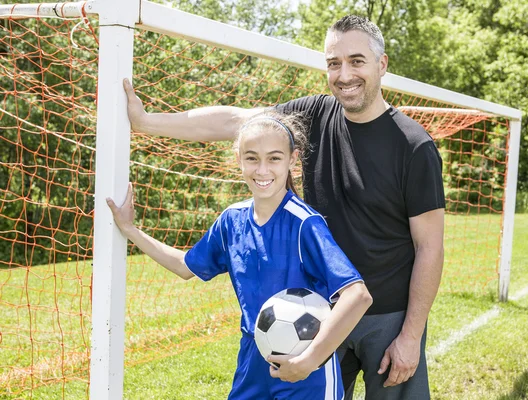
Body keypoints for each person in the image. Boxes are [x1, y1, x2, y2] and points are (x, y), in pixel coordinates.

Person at [123, 14, 445, 400]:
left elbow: (430, 248)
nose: (344, 75)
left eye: (356, 61)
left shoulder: (414, 146)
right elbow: (235, 121)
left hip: (387, 318)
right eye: (333, 63)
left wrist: (410, 336)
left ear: (382, 64)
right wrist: (145, 122)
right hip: (317, 315)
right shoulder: (314, 115)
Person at [106, 111, 373, 400]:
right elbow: (186, 266)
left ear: (292, 160)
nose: (262, 170)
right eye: (252, 158)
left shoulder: (304, 224)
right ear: (238, 160)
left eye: (274, 158)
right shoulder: (231, 221)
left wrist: (309, 361)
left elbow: (357, 296)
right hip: (252, 360)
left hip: (306, 365)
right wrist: (130, 230)